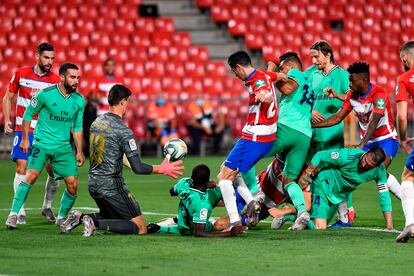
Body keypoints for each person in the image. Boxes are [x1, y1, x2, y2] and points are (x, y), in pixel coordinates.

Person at [60, 84, 184, 236]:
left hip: (93, 183)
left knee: (114, 217)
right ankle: (94, 223)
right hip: (112, 186)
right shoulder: (123, 130)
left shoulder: (97, 122)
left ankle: (80, 218)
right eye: (128, 102)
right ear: (123, 102)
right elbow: (138, 168)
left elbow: (110, 152)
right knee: (140, 228)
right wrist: (161, 168)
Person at [312, 61, 399, 229]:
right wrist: (312, 126)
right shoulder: (352, 95)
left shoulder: (379, 93)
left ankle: (408, 206)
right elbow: (337, 118)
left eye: (352, 80)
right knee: (350, 170)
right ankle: (344, 218)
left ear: (364, 80)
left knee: (379, 172)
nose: (349, 84)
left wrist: (361, 145)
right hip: (367, 142)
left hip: (386, 139)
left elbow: (373, 121)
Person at [5, 63, 85, 229]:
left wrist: (79, 151)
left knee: (73, 183)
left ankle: (61, 217)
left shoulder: (79, 100)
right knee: (31, 175)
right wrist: (26, 139)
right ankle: (14, 214)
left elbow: (77, 127)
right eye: (72, 77)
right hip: (42, 143)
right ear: (62, 77)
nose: (76, 81)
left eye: (78, 77)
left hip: (62, 147)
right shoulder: (45, 94)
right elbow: (28, 114)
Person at [218, 51, 284, 229]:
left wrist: (265, 97)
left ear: (238, 67)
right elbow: (279, 75)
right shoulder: (264, 74)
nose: (236, 76)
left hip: (255, 136)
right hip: (265, 136)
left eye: (235, 72)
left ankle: (235, 222)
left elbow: (264, 92)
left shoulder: (257, 80)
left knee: (224, 178)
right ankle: (251, 201)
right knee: (227, 169)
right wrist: (285, 75)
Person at [2, 42, 61, 224]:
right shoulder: (21, 73)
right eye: (46, 57)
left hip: (45, 132)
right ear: (37, 56)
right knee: (22, 167)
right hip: (23, 129)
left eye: (52, 58)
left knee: (55, 172)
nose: (49, 61)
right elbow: (7, 97)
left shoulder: (54, 81)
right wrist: (7, 120)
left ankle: (47, 206)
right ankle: (19, 210)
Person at [307, 40, 356, 226]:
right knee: (313, 173)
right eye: (311, 56)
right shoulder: (312, 75)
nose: (313, 60)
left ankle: (348, 212)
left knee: (337, 173)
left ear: (327, 55)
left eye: (316, 56)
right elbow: (303, 99)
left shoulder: (342, 75)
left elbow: (353, 98)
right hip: (314, 134)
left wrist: (337, 95)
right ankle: (311, 211)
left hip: (333, 134)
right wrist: (310, 110)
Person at [265, 51, 314, 230]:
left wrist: (272, 75)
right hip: (305, 135)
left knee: (255, 151)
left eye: (282, 68)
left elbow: (286, 88)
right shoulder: (309, 81)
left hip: (287, 127)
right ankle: (302, 212)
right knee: (289, 180)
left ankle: (250, 199)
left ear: (292, 67)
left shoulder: (295, 73)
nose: (281, 71)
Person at [299, 147, 391, 230]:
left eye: (369, 166)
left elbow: (384, 195)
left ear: (376, 166)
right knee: (320, 227)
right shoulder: (348, 155)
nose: (363, 165)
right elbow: (320, 155)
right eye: (365, 160)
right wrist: (306, 175)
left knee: (318, 219)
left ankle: (294, 217)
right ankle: (302, 219)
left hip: (337, 197)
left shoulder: (380, 170)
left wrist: (389, 225)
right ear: (366, 152)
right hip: (323, 185)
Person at [147, 164, 245, 237]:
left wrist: (184, 193)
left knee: (222, 188)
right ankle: (246, 206)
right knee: (225, 182)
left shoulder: (184, 183)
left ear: (192, 177)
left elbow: (172, 191)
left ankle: (171, 222)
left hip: (184, 222)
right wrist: (229, 233)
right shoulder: (203, 204)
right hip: (191, 226)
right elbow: (198, 232)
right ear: (208, 181)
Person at [395, 41, 414, 242]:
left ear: (404, 57)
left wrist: (402, 138)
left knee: (408, 176)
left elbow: (401, 116)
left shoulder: (405, 78)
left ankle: (410, 224)